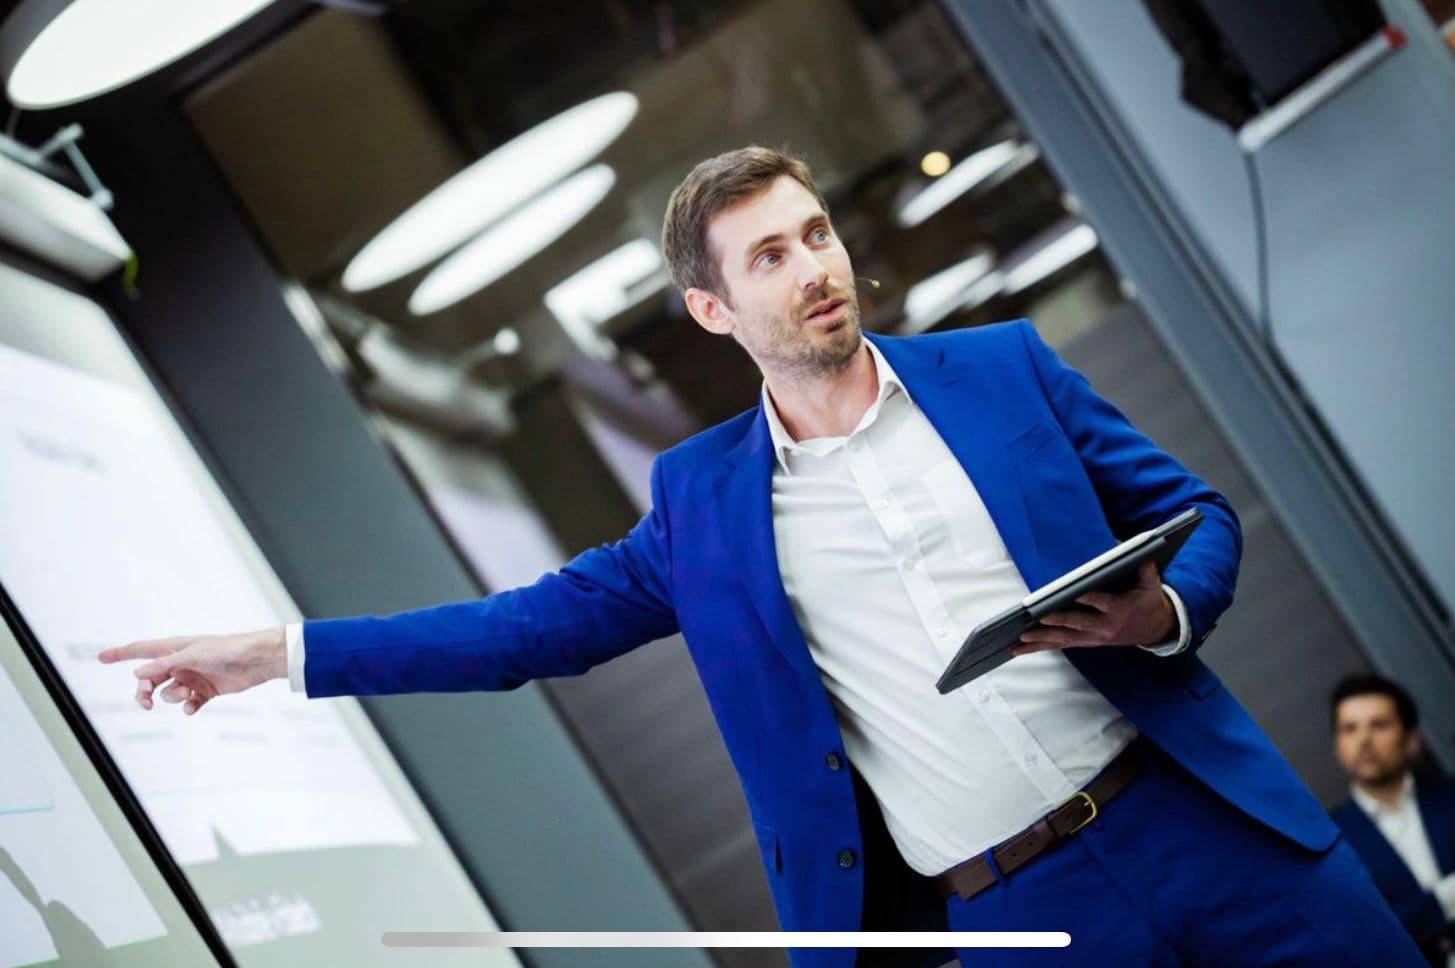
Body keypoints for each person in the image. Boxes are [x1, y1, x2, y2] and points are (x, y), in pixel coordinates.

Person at [99, 147, 1422, 967]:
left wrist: (1160, 615)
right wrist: (282, 654)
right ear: (711, 308)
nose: (812, 268)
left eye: (817, 235)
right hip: (1026, 915)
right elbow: (517, 634)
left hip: (1206, 821)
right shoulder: (701, 507)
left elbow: (1199, 510)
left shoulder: (1002, 367)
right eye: (769, 256)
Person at [1330, 673, 1455, 966]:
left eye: (1379, 725)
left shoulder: (1449, 796)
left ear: (1412, 740)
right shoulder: (1332, 844)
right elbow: (1363, 935)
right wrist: (1444, 900)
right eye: (1350, 728)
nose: (1364, 739)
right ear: (1337, 747)